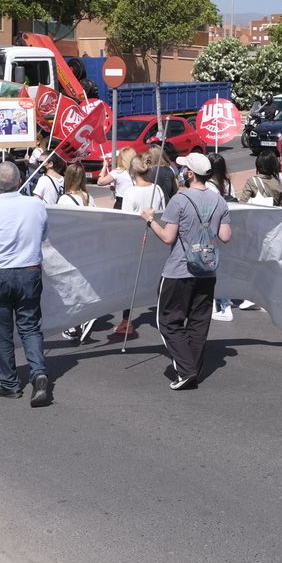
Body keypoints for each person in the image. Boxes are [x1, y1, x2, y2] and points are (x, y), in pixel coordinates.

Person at [143, 153, 232, 390]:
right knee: (198, 322)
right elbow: (225, 236)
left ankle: (186, 369)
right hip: (207, 270)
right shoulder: (219, 201)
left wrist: (151, 220)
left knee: (168, 321)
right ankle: (191, 367)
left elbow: (167, 237)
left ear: (190, 173)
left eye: (184, 168)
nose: (182, 171)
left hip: (178, 270)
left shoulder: (180, 201)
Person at [0, 161, 52, 407]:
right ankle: (38, 373)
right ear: (20, 181)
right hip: (29, 271)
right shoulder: (36, 206)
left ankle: (10, 383)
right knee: (29, 326)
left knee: (1, 330)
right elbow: (44, 235)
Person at [112, 154, 167, 342]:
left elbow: (127, 220)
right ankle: (163, 315)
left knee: (131, 283)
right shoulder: (157, 189)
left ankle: (126, 320)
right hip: (156, 238)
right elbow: (163, 213)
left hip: (134, 242)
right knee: (157, 279)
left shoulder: (130, 192)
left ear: (131, 171)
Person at [206, 152, 238, 322]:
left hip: (212, 233)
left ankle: (215, 305)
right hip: (225, 230)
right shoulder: (227, 184)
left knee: (210, 270)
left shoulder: (208, 187)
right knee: (222, 269)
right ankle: (224, 301)